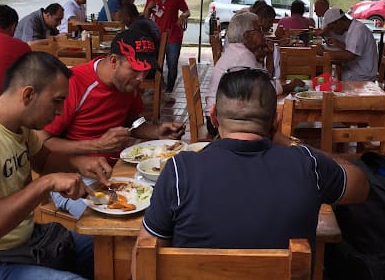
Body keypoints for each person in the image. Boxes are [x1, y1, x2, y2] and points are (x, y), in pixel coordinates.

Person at [138, 67, 369, 253]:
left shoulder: (179, 171)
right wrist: (288, 141)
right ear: (276, 121)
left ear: (214, 116)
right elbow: (361, 186)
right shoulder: (309, 165)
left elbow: (145, 254)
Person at [0, 52, 111, 279]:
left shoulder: (19, 125)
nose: (60, 112)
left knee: (111, 251)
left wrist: (81, 164)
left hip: (22, 243)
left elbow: (44, 160)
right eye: (56, 101)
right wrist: (46, 184)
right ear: (28, 95)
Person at [38, 29, 185, 217]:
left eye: (145, 71)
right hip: (73, 180)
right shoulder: (74, 84)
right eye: (135, 70)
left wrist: (157, 131)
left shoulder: (128, 85)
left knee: (166, 208)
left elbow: (133, 122)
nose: (141, 78)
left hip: (116, 173)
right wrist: (97, 145)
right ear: (114, 61)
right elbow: (43, 143)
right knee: (110, 223)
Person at [205, 12, 303, 109]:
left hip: (226, 113)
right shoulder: (242, 56)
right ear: (248, 35)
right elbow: (265, 90)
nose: (263, 34)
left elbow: (265, 79)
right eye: (259, 30)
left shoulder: (239, 50)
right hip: (221, 119)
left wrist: (266, 56)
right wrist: (290, 86)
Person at [143, 0, 190, 101]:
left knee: (172, 63)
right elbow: (145, 17)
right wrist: (149, 7)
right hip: (156, 36)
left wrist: (182, 16)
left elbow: (187, 11)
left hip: (173, 35)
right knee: (156, 62)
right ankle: (156, 86)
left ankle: (169, 90)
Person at [320, 7, 378, 82]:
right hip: (355, 71)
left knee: (329, 77)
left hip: (361, 76)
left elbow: (350, 55)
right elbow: (351, 48)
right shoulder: (353, 27)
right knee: (330, 72)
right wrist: (337, 43)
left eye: (332, 28)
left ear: (339, 22)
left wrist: (323, 52)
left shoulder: (358, 29)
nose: (333, 31)